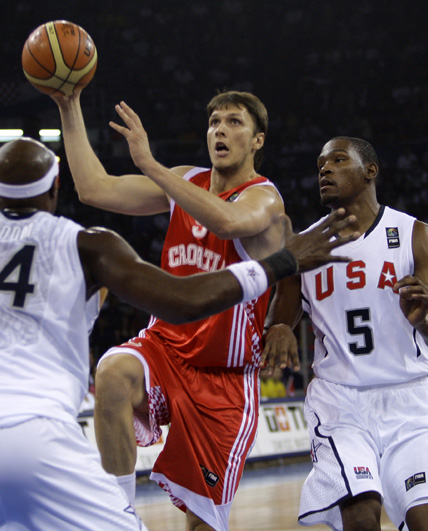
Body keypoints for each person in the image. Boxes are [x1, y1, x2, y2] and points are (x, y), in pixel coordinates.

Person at [0, 110, 357, 529]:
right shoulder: (85, 244)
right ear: (53, 190)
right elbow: (182, 300)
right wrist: (284, 261)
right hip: (37, 438)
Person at [53, 88, 285, 529]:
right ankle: (117, 515)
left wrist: (152, 165)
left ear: (257, 141)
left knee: (200, 525)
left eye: (234, 122)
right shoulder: (186, 180)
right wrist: (69, 106)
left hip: (224, 376)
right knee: (113, 372)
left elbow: (228, 221)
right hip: (165, 349)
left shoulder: (265, 198)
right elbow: (93, 188)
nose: (220, 129)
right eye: (215, 121)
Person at [263, 137, 428, 531]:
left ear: (370, 170)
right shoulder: (303, 248)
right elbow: (277, 321)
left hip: (410, 403)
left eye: (337, 160)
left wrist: (423, 322)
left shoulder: (414, 234)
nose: (324, 169)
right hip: (341, 406)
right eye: (320, 164)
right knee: (361, 519)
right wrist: (279, 327)